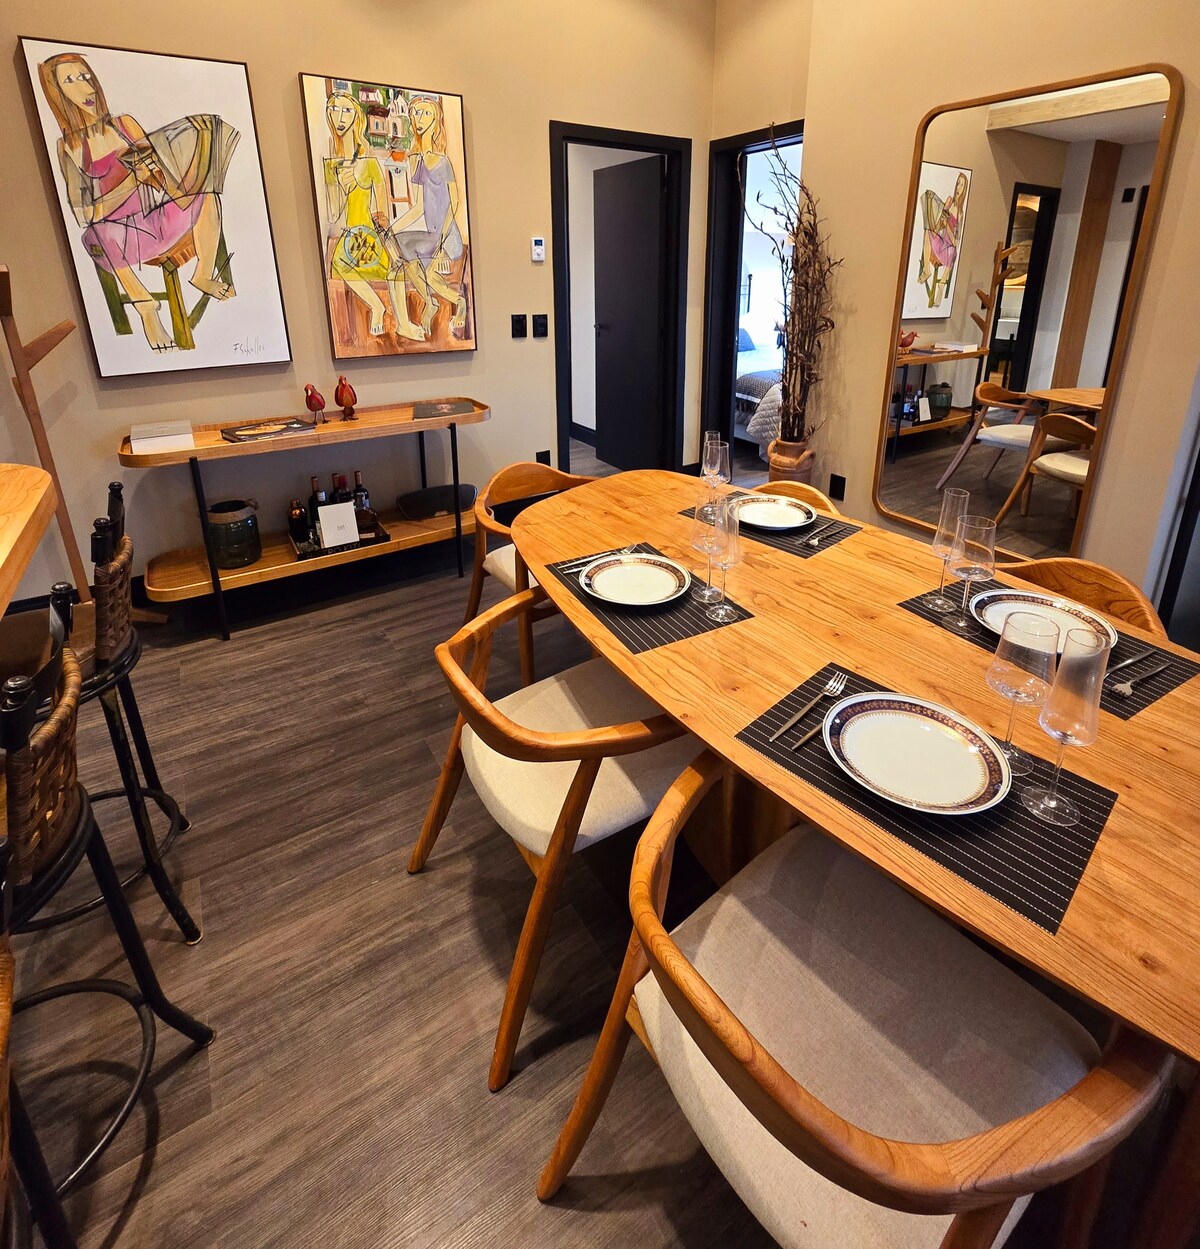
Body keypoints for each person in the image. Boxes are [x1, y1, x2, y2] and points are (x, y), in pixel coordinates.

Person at [38, 52, 239, 353]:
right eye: (70, 80)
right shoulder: (69, 147)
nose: (85, 86)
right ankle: (145, 307)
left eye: (85, 76)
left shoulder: (125, 125)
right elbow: (85, 213)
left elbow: (161, 181)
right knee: (96, 234)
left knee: (205, 191)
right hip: (120, 235)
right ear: (58, 94)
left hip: (154, 218)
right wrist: (130, 182)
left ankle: (202, 274)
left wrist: (171, 169)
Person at [323, 91, 421, 341]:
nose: (339, 117)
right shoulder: (332, 166)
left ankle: (403, 324)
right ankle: (377, 307)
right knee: (339, 264)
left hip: (370, 235)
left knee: (394, 267)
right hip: (350, 237)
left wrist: (390, 245)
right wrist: (341, 186)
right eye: (334, 109)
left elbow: (381, 214)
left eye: (346, 110)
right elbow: (333, 214)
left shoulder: (370, 164)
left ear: (356, 117)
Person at [389, 94, 468, 336]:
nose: (420, 118)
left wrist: (442, 245)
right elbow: (418, 208)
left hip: (447, 235)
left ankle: (459, 302)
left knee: (430, 272)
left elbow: (454, 203)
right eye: (416, 113)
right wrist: (393, 227)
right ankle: (430, 302)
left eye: (426, 114)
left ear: (436, 122)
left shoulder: (443, 162)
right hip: (430, 235)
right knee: (401, 249)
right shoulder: (418, 161)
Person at [916, 172, 968, 309]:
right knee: (928, 231)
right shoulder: (949, 201)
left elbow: (956, 240)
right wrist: (942, 213)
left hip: (949, 247)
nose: (958, 187)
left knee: (953, 252)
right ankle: (926, 269)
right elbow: (938, 226)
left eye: (962, 185)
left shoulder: (960, 213)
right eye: (958, 183)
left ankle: (941, 286)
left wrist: (948, 227)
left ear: (964, 189)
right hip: (941, 242)